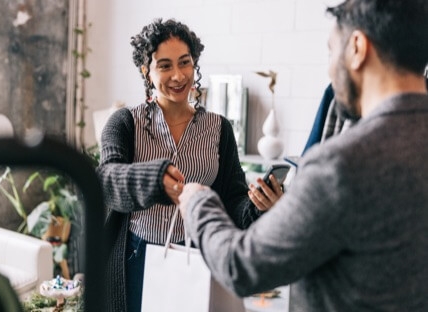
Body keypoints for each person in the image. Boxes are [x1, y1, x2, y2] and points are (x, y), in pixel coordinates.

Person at [179, 0, 428, 311]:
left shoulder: (340, 166)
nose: (329, 68)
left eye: (330, 51)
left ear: (357, 47)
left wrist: (198, 203)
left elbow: (240, 267)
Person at [96, 18, 281, 312]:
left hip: (198, 255)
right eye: (165, 65)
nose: (178, 75)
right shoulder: (125, 123)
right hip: (136, 255)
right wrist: (156, 181)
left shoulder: (218, 128)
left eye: (185, 62)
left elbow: (231, 201)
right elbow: (107, 180)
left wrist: (259, 205)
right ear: (147, 71)